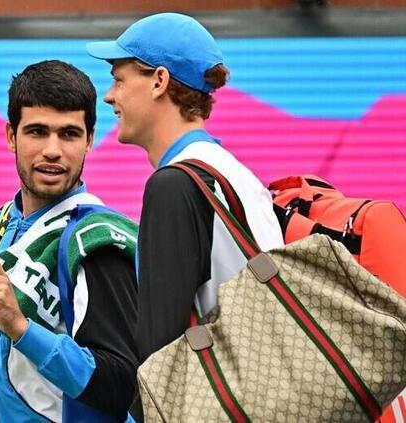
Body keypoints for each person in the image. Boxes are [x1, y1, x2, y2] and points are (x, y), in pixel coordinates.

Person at [0, 60, 139, 422]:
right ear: (11, 136)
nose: (52, 150)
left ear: (89, 140)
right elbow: (11, 370)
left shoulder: (97, 241)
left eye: (69, 134)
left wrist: (22, 328)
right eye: (37, 131)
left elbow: (120, 383)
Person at [86, 13, 283, 368]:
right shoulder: (229, 172)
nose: (110, 96)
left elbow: (160, 354)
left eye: (118, 79)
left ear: (159, 80)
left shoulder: (175, 186)